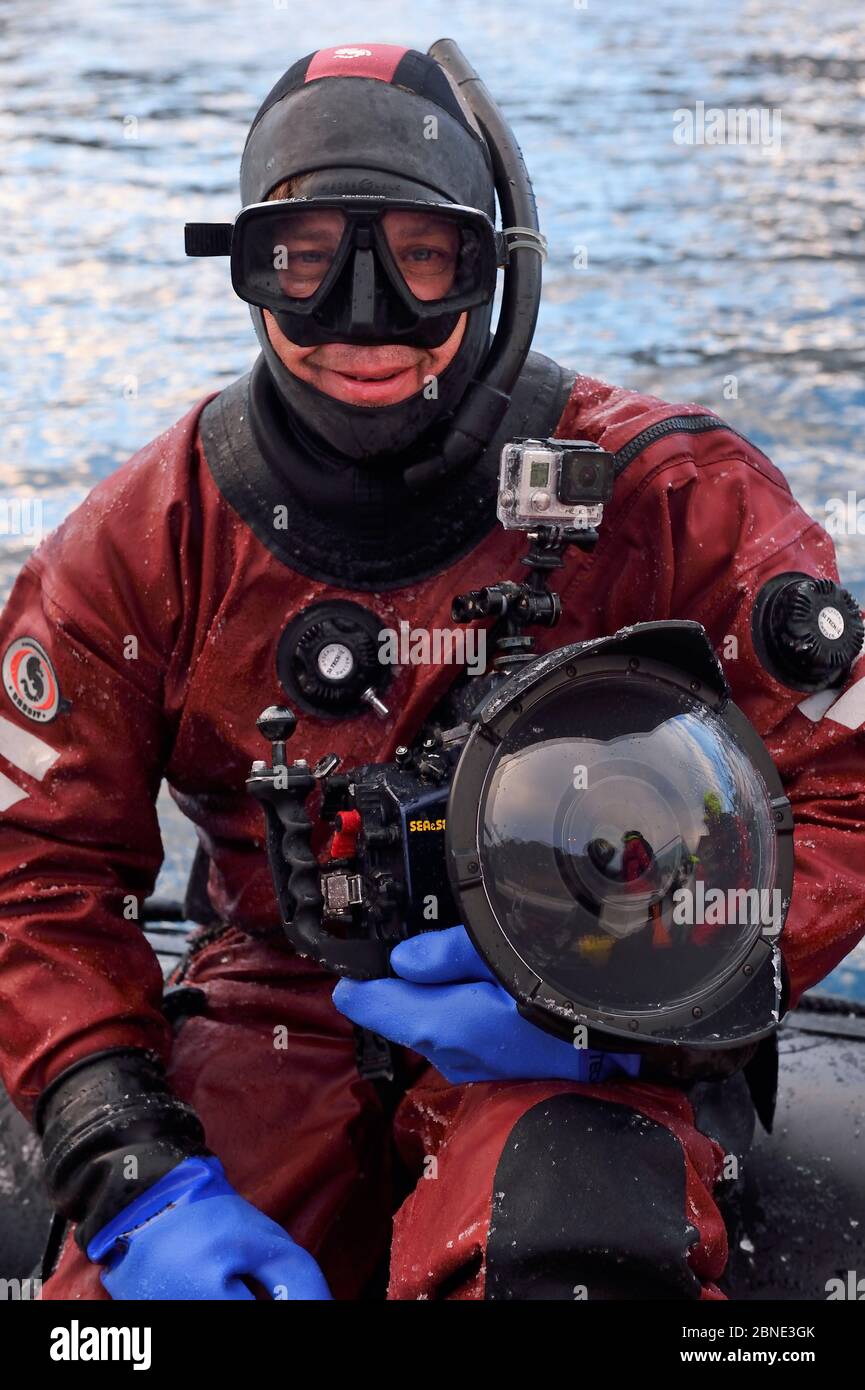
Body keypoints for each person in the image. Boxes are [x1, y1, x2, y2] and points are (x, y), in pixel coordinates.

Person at [1, 41, 864, 1302]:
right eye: (306, 261)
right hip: (271, 996)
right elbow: (39, 868)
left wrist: (634, 993)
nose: (366, 320)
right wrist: (127, 1171)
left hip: (601, 998)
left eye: (420, 259)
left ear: (494, 265)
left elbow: (846, 788)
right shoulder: (147, 539)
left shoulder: (671, 501)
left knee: (570, 1235)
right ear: (247, 271)